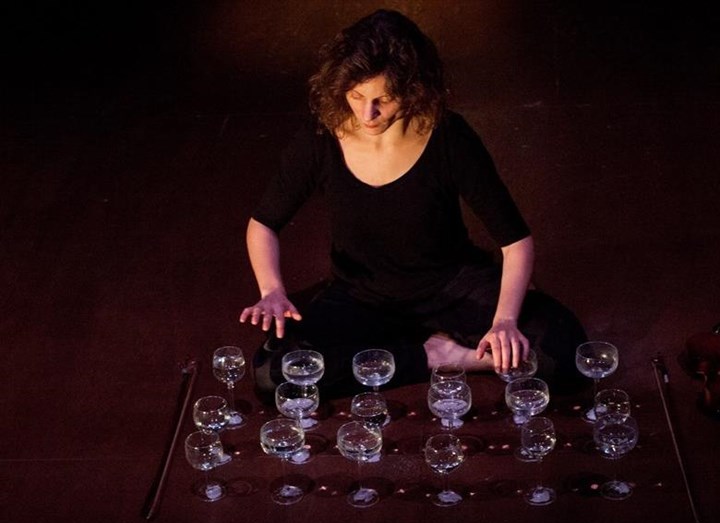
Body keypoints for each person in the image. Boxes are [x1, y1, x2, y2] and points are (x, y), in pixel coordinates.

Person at [240, 8, 586, 401]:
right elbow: (263, 223)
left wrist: (504, 320)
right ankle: (437, 356)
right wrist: (272, 289)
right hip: (361, 296)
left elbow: (515, 242)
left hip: (451, 287)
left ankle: (413, 351)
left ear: (413, 88)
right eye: (356, 96)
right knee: (274, 374)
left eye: (383, 100)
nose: (367, 114)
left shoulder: (449, 137)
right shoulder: (320, 139)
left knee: (566, 354)